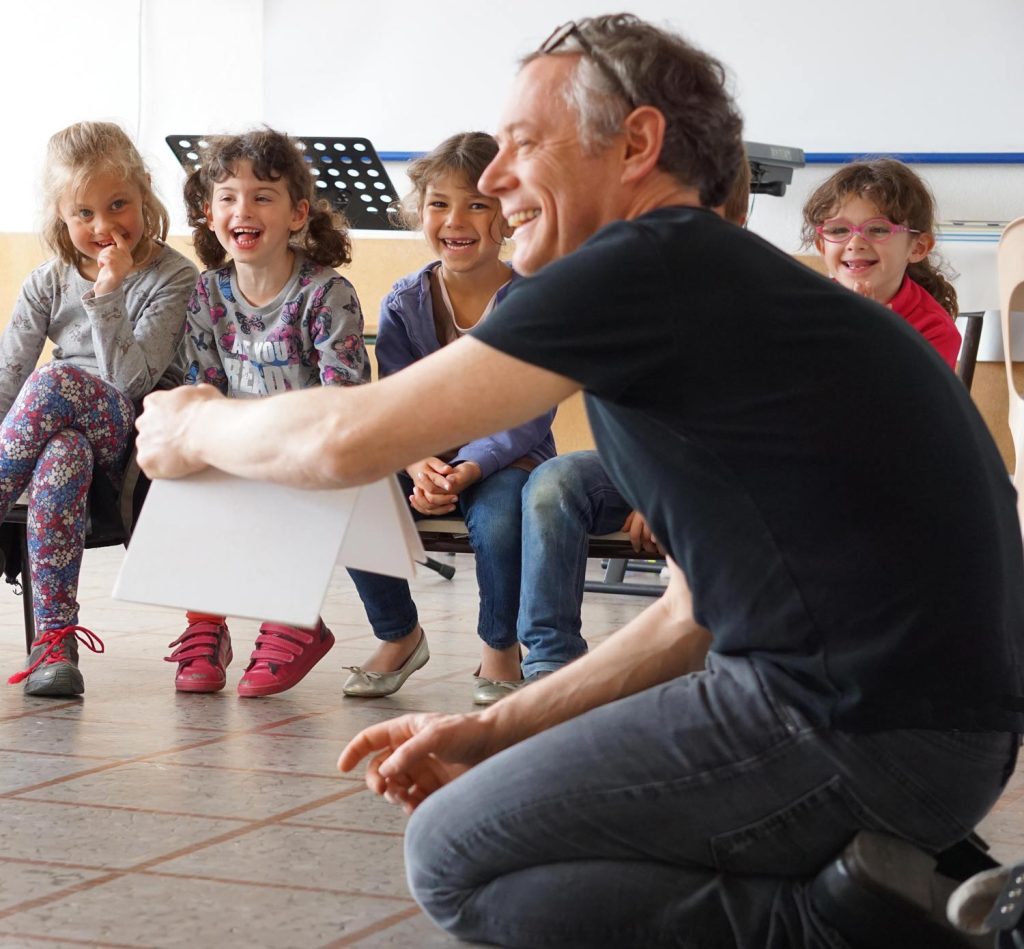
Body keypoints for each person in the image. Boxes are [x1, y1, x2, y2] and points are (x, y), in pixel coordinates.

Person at [135, 14, 1024, 948]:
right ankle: (905, 886)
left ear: (636, 143)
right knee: (508, 829)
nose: (490, 178)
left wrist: (194, 421)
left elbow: (344, 439)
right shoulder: (714, 285)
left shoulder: (643, 263)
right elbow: (695, 614)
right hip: (945, 742)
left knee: (451, 853)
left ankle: (874, 923)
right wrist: (494, 728)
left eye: (524, 142)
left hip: (854, 728)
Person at [517, 155, 750, 681]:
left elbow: (730, 430)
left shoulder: (740, 299)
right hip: (641, 465)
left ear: (730, 219)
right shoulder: (619, 292)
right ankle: (550, 662)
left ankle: (718, 665)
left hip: (713, 473)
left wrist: (663, 494)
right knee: (553, 482)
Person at [343, 132, 556, 705]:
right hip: (424, 453)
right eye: (439, 203)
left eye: (478, 204)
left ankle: (499, 648)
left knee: (500, 519)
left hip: (510, 457)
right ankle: (399, 635)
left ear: (509, 216)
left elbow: (529, 414)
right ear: (420, 212)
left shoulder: (533, 297)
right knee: (350, 487)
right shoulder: (404, 299)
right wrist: (417, 461)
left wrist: (466, 469)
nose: (455, 219)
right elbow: (398, 399)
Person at [165, 128, 369, 697]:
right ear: (208, 214)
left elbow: (343, 396)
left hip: (308, 442)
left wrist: (265, 439)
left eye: (262, 196)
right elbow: (202, 385)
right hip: (236, 440)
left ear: (298, 214)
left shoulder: (326, 293)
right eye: (227, 197)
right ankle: (205, 625)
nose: (243, 209)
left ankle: (292, 617)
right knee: (191, 472)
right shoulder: (208, 293)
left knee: (291, 473)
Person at [1, 121, 196, 698]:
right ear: (61, 217)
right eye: (83, 213)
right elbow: (9, 377)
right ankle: (54, 645)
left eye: (118, 206)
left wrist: (108, 296)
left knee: (57, 379)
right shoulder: (47, 281)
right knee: (62, 452)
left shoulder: (173, 276)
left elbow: (130, 382)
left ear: (144, 197)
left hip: (135, 434)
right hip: (62, 434)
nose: (105, 226)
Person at [802, 157, 962, 369]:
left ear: (918, 248)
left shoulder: (935, 330)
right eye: (839, 230)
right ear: (822, 246)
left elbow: (900, 400)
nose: (855, 243)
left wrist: (870, 337)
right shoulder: (805, 309)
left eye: (878, 229)